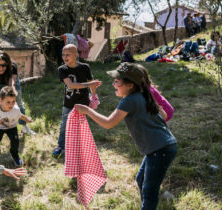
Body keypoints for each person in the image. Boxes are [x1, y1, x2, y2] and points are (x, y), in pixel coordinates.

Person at [74, 63, 177, 210]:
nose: (113, 83)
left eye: (117, 81)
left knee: (150, 191)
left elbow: (108, 123)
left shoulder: (128, 101)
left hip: (159, 150)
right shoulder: (144, 93)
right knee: (140, 179)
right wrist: (142, 125)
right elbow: (164, 114)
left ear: (129, 85)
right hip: (164, 146)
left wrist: (88, 111)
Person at [52, 44, 102, 158]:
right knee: (64, 125)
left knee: (81, 125)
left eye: (68, 54)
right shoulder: (62, 69)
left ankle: (79, 147)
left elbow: (92, 83)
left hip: (83, 103)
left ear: (76, 55)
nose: (65, 57)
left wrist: (94, 97)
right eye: (63, 54)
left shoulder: (85, 67)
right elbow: (71, 85)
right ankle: (61, 146)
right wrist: (90, 84)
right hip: (69, 103)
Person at [0, 52, 35, 135]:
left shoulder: (12, 66)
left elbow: (12, 82)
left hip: (12, 83)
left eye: (3, 65)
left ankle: (24, 127)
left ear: (7, 64)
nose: (1, 68)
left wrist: (12, 91)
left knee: (18, 103)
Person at [0, 86, 34, 166]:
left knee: (15, 141)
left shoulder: (15, 109)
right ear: (1, 100)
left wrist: (27, 119)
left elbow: (21, 116)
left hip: (11, 127)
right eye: (8, 102)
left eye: (13, 101)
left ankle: (15, 155)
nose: (11, 104)